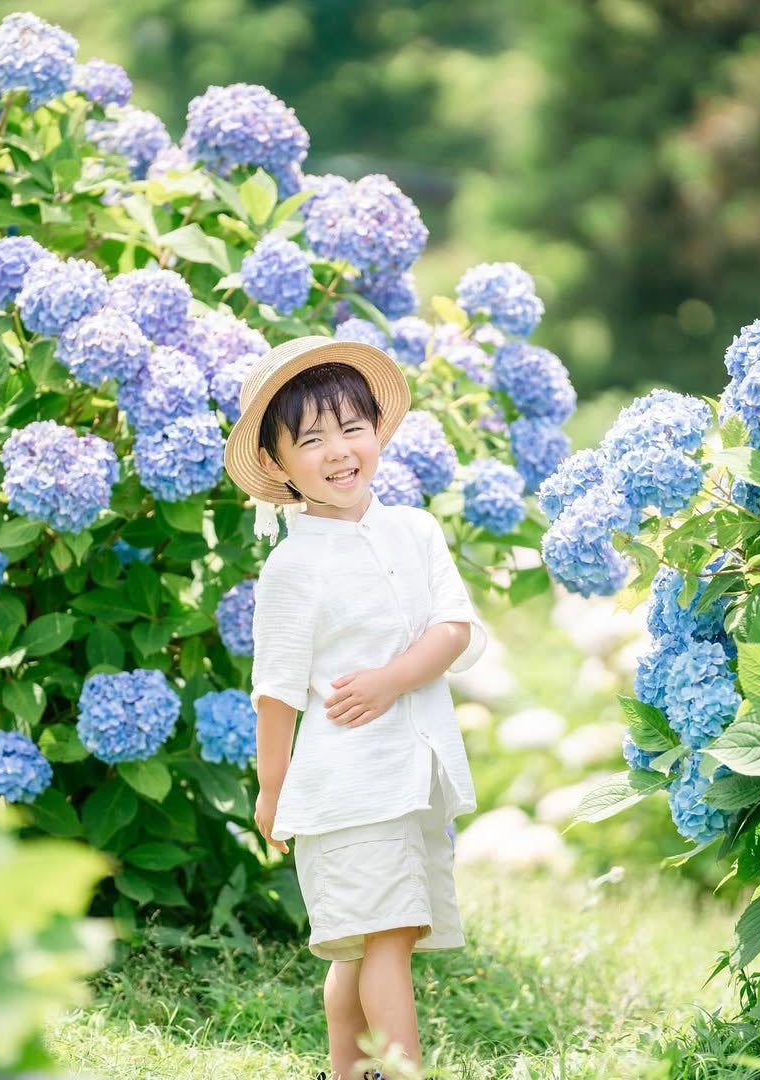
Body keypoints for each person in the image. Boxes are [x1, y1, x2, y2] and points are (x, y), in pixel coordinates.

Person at [222, 336, 486, 1080]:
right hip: (345, 789)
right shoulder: (292, 567)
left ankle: (347, 1070)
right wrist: (271, 793)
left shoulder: (416, 529)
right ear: (276, 463)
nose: (339, 451)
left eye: (352, 428)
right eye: (312, 439)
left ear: (377, 430)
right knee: (389, 936)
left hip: (413, 774)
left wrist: (392, 679)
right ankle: (401, 1073)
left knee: (369, 939)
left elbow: (453, 629)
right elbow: (274, 694)